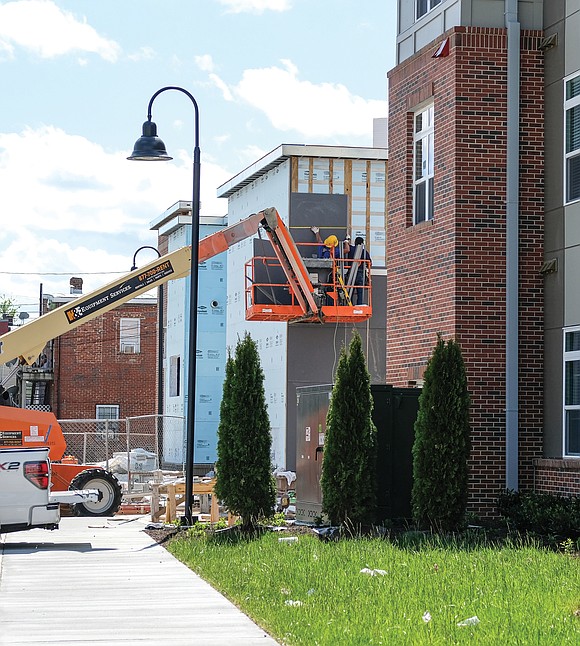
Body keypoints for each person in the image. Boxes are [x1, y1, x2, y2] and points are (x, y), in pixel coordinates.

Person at [347, 237, 371, 305]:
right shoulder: (364, 252)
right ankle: (359, 305)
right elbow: (370, 263)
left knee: (350, 292)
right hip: (361, 273)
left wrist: (347, 239)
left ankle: (350, 305)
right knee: (360, 292)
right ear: (362, 243)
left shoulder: (351, 249)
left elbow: (347, 246)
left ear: (355, 242)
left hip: (351, 273)